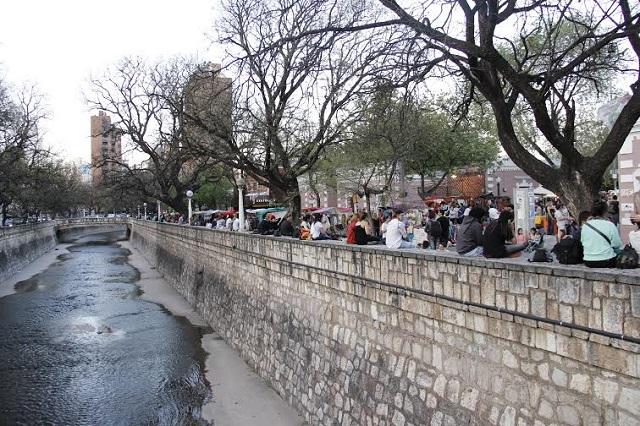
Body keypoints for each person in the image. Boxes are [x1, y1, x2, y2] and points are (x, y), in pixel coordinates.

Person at [581, 200, 622, 268]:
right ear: (605, 212)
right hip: (607, 260)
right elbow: (617, 244)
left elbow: (583, 242)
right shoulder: (610, 225)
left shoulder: (585, 226)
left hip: (588, 260)